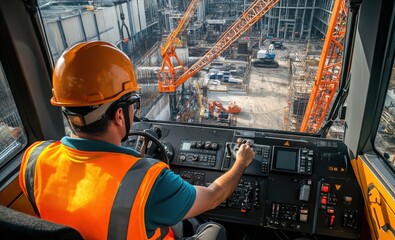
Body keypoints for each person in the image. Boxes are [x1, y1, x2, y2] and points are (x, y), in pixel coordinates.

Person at [19, 41, 255, 240]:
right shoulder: (150, 183)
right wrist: (241, 162)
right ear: (120, 115)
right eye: (133, 103)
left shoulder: (34, 159)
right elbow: (214, 196)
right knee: (215, 230)